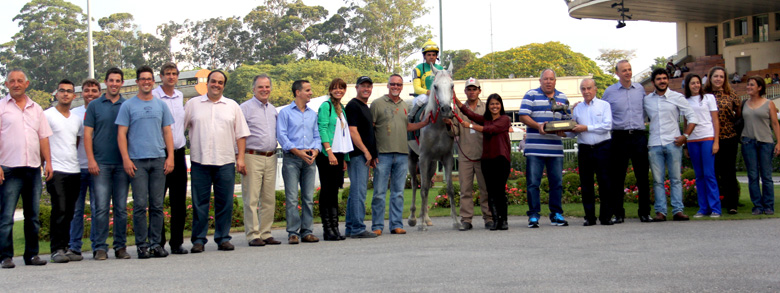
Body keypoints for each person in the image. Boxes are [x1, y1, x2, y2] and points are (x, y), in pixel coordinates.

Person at [184, 70, 249, 253]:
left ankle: (223, 238)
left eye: (220, 82)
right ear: (208, 83)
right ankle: (198, 240)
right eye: (213, 81)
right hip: (200, 161)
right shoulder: (193, 104)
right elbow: (180, 128)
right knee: (199, 203)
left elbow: (241, 135)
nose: (216, 85)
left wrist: (241, 159)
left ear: (223, 85)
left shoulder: (232, 106)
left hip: (225, 161)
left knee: (225, 203)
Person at [116, 66, 175, 258]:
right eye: (142, 79)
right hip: (137, 161)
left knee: (157, 205)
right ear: (137, 82)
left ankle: (156, 244)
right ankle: (142, 245)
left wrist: (170, 157)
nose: (146, 82)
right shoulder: (128, 106)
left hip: (158, 159)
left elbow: (167, 132)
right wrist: (126, 159)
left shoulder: (161, 106)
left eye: (149, 79)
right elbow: (121, 134)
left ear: (153, 82)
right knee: (140, 204)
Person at [0, 69, 53, 268]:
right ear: (7, 85)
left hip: (32, 169)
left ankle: (32, 255)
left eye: (20, 81)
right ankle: (5, 256)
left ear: (27, 83)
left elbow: (43, 137)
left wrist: (48, 162)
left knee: (32, 216)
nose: (16, 84)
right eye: (12, 81)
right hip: (9, 169)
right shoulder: (2, 107)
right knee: (6, 216)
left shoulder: (36, 109)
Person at [370, 74, 429, 236]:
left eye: (399, 84)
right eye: (393, 84)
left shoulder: (405, 105)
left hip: (402, 154)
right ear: (388, 85)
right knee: (379, 193)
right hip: (382, 154)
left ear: (402, 87)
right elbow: (371, 129)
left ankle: (396, 224)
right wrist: (372, 153)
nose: (396, 87)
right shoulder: (377, 104)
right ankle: (377, 225)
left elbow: (407, 126)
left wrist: (423, 123)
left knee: (398, 192)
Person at [84, 67, 131, 260]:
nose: (114, 84)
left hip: (122, 165)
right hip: (101, 164)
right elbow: (88, 135)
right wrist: (91, 160)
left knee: (120, 208)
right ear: (105, 82)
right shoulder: (94, 105)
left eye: (118, 80)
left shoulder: (127, 105)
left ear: (121, 83)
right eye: (111, 80)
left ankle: (120, 247)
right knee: (101, 208)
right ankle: (100, 247)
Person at [602, 60, 653, 223]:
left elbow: (646, 111)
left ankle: (644, 213)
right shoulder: (609, 92)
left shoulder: (640, 90)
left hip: (638, 136)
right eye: (624, 70)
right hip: (619, 137)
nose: (627, 73)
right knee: (618, 177)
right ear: (617, 73)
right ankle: (619, 213)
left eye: (629, 69)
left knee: (642, 176)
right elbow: (602, 112)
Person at [518, 69, 569, 228]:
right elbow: (523, 116)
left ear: (555, 81)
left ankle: (556, 214)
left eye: (551, 79)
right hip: (535, 148)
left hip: (555, 149)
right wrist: (539, 126)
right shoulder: (531, 95)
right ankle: (533, 215)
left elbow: (568, 120)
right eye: (545, 79)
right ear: (540, 81)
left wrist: (565, 131)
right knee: (533, 183)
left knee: (557, 183)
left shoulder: (562, 98)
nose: (548, 81)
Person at [644, 68, 697, 222]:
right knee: (658, 180)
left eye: (664, 78)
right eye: (659, 79)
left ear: (668, 80)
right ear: (653, 82)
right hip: (654, 144)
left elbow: (692, 117)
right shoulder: (647, 100)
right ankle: (660, 212)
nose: (662, 81)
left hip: (673, 142)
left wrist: (685, 136)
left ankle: (678, 211)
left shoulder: (677, 97)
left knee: (675, 179)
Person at [454, 93, 511, 230]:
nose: (494, 106)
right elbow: (470, 114)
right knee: (490, 191)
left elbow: (490, 130)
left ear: (501, 105)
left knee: (499, 191)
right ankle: (495, 220)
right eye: (492, 104)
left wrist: (471, 126)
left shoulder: (505, 119)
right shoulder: (486, 119)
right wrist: (455, 99)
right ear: (488, 106)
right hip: (487, 160)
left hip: (501, 159)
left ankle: (503, 220)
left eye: (497, 104)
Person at [152, 62, 190, 254]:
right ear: (161, 76)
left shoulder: (179, 96)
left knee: (178, 201)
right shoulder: (154, 97)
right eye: (167, 74)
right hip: (160, 154)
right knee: (158, 201)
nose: (171, 77)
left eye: (174, 74)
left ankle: (177, 243)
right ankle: (158, 242)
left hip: (178, 151)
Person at [240, 74, 282, 246]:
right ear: (254, 89)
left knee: (268, 198)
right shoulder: (245, 108)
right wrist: (239, 158)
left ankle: (266, 233)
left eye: (267, 87)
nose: (264, 90)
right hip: (252, 156)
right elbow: (239, 135)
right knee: (251, 197)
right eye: (260, 87)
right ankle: (253, 234)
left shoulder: (273, 110)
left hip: (271, 156)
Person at [43, 79, 83, 263]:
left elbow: (75, 142)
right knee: (58, 209)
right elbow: (42, 141)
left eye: (69, 91)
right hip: (56, 170)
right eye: (62, 91)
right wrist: (47, 163)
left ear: (74, 96)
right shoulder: (48, 115)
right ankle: (56, 249)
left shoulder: (76, 119)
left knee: (70, 211)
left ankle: (66, 247)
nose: (65, 94)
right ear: (56, 94)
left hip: (73, 170)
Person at [277, 80, 321, 244]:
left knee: (308, 197)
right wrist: (298, 152)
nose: (310, 93)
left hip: (310, 159)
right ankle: (293, 233)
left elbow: (317, 136)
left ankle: (307, 231)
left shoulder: (312, 114)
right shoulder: (285, 113)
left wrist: (316, 150)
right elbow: (282, 136)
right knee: (292, 198)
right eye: (307, 90)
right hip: (292, 159)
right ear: (297, 92)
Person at [569, 79, 614, 226]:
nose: (586, 91)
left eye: (589, 88)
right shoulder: (577, 109)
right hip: (585, 149)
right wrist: (561, 133)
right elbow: (574, 130)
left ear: (595, 89)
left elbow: (607, 126)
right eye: (583, 89)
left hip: (603, 147)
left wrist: (586, 128)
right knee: (586, 184)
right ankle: (589, 217)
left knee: (605, 183)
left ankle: (606, 216)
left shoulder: (604, 105)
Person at [452, 77, 492, 230]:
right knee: (465, 190)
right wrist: (449, 125)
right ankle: (466, 220)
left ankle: (488, 218)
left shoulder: (486, 108)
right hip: (465, 156)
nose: (472, 92)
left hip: (484, 155)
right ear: (465, 92)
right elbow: (455, 132)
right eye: (469, 89)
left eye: (474, 89)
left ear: (479, 91)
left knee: (485, 189)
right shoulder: (457, 110)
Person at [316, 78, 353, 241]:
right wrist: (329, 151)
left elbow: (343, 136)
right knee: (327, 191)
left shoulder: (341, 108)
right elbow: (322, 128)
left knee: (334, 192)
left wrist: (344, 157)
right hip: (327, 155)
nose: (339, 91)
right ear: (330, 90)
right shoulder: (326, 106)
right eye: (335, 88)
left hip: (338, 155)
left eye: (342, 88)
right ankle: (327, 229)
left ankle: (335, 228)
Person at [68, 78, 100, 261]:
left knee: (97, 208)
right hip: (77, 167)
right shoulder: (74, 114)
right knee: (76, 210)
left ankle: (97, 246)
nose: (90, 94)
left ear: (99, 93)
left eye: (94, 91)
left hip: (96, 167)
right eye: (87, 90)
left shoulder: (102, 111)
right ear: (81, 93)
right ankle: (74, 247)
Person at [682, 74, 722, 218]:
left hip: (707, 137)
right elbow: (686, 123)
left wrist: (716, 141)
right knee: (699, 175)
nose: (696, 85)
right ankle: (703, 208)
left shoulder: (709, 98)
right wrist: (685, 145)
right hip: (692, 140)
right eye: (693, 83)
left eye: (698, 83)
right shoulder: (685, 101)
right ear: (688, 85)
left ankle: (715, 208)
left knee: (709, 174)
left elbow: (715, 120)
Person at [344, 76, 379, 239]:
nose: (367, 89)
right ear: (356, 87)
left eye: (369, 86)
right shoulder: (353, 106)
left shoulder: (365, 106)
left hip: (363, 155)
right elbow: (353, 131)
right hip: (358, 155)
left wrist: (373, 153)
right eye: (363, 86)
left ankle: (351, 227)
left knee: (355, 191)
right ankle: (358, 227)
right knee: (359, 192)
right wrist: (366, 151)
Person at [704, 66, 742, 214]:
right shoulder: (705, 95)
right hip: (710, 138)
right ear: (710, 78)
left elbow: (738, 114)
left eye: (721, 76)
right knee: (714, 172)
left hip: (729, 138)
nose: (718, 79)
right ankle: (716, 203)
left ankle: (732, 204)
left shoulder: (731, 94)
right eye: (716, 76)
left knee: (729, 172)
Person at [741, 76, 780, 215]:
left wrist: (779, 143)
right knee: (752, 175)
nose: (749, 87)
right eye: (748, 84)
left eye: (752, 85)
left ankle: (768, 205)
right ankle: (757, 205)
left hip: (765, 143)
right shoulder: (744, 103)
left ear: (759, 87)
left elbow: (775, 124)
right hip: (748, 142)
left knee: (766, 176)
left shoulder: (769, 103)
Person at [409, 39, 444, 125]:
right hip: (422, 97)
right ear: (424, 56)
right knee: (423, 98)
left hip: (437, 97)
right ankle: (411, 117)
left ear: (436, 56)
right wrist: (428, 92)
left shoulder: (441, 69)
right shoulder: (418, 68)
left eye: (433, 55)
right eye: (429, 55)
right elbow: (417, 88)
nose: (431, 57)